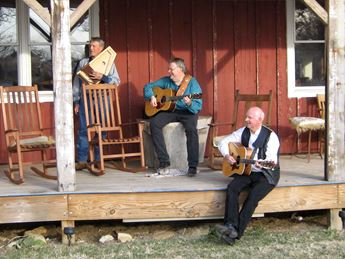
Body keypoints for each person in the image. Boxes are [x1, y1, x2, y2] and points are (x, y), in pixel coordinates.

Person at [216, 106, 280, 245]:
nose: (246, 120)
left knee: (252, 198)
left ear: (259, 120)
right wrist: (227, 155)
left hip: (266, 174)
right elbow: (223, 142)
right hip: (248, 170)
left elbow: (272, 162)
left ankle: (236, 234)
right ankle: (230, 225)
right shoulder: (243, 131)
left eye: (249, 118)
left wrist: (261, 164)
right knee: (232, 188)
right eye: (246, 117)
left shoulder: (271, 137)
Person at [144, 57, 202, 177]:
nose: (169, 71)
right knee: (154, 123)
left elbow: (197, 106)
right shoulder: (166, 81)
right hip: (171, 111)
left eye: (171, 69)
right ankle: (164, 161)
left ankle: (192, 165)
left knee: (191, 130)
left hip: (187, 112)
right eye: (169, 69)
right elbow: (148, 86)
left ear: (180, 69)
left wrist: (189, 102)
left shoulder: (192, 83)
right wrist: (152, 97)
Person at [73, 37, 120, 170]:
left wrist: (102, 77)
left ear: (101, 48)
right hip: (85, 99)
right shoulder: (83, 63)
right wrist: (76, 101)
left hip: (102, 98)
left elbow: (116, 81)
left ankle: (99, 160)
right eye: (90, 46)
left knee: (102, 129)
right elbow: (76, 83)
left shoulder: (109, 63)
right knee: (83, 129)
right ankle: (82, 160)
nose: (91, 48)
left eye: (93, 46)